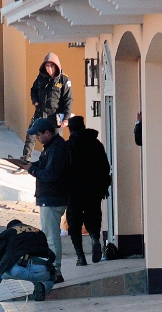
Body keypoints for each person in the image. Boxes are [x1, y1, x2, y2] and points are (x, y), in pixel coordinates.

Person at [22, 117, 71, 276]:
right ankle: (53, 268)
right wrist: (30, 165)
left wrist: (32, 170)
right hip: (49, 198)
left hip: (52, 199)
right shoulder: (51, 146)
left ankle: (55, 271)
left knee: (51, 237)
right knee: (50, 235)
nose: (36, 137)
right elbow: (44, 165)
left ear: (48, 133)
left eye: (38, 134)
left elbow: (50, 174)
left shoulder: (57, 148)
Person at [0, 219, 58, 308]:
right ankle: (43, 286)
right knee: (51, 276)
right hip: (40, 270)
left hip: (17, 268)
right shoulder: (39, 232)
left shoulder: (7, 233)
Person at [65, 116, 111, 265]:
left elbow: (63, 169)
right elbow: (105, 167)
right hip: (94, 190)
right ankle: (94, 238)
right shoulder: (96, 144)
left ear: (70, 129)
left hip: (74, 191)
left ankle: (80, 256)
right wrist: (103, 187)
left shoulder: (69, 146)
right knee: (93, 216)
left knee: (74, 222)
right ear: (84, 126)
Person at [20, 52, 73, 161]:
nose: (49, 68)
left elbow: (68, 100)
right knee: (31, 134)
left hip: (54, 116)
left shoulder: (64, 80)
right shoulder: (41, 78)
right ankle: (26, 158)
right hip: (40, 112)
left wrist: (66, 118)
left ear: (56, 66)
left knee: (53, 140)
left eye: (52, 66)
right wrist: (35, 101)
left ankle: (50, 161)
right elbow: (33, 90)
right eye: (47, 65)